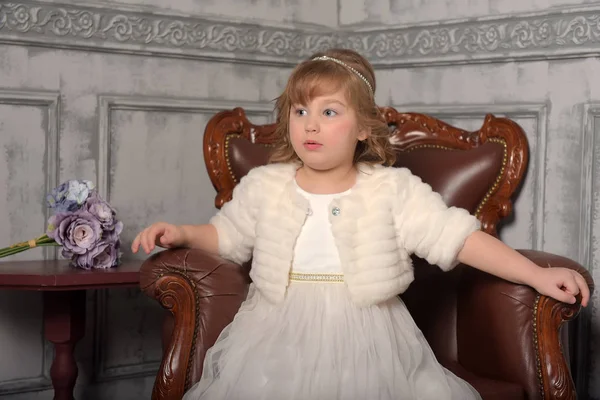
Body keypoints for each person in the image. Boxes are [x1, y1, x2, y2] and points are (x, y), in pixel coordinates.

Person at [132, 49, 590, 400]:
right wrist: (184, 234)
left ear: (364, 128)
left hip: (369, 332)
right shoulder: (266, 185)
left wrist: (537, 275)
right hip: (276, 328)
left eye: (329, 112)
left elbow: (459, 237)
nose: (310, 125)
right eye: (300, 111)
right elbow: (227, 236)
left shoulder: (390, 189)